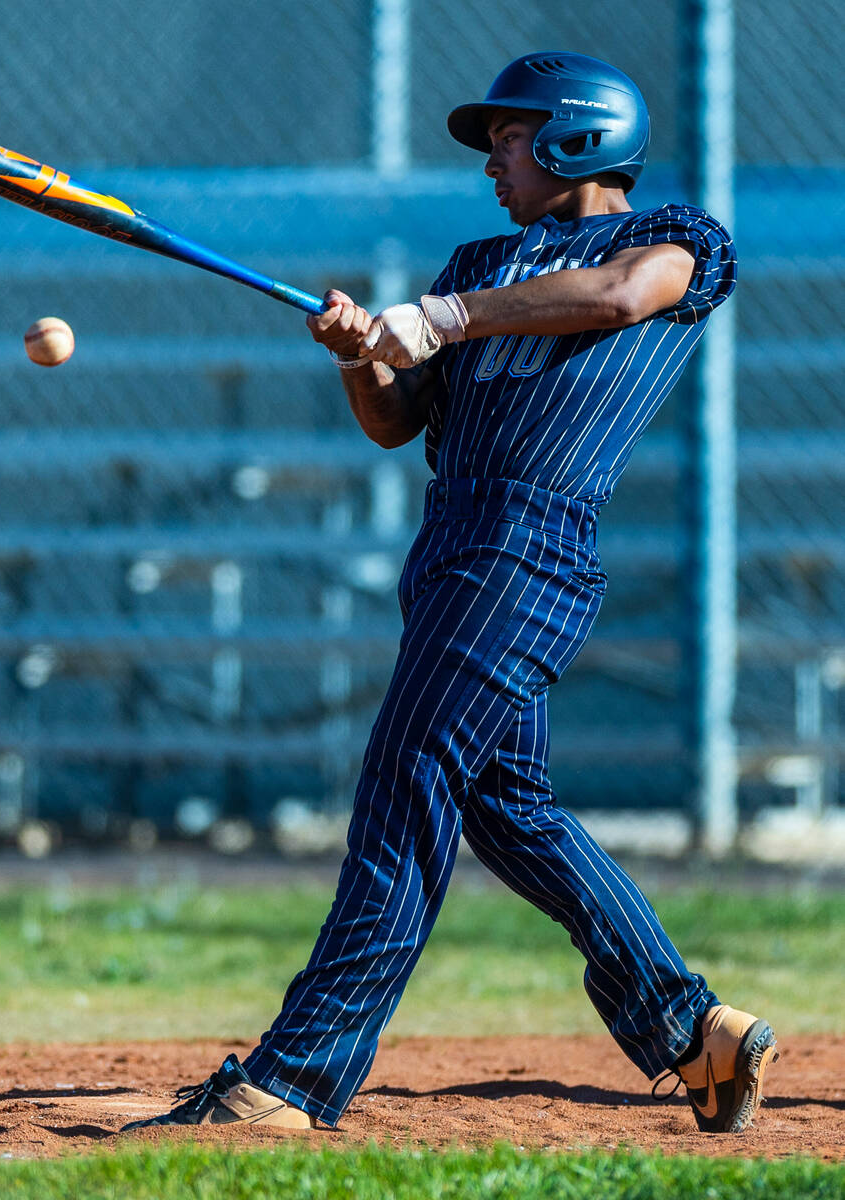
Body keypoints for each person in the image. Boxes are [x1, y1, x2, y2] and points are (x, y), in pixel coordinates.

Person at [123, 52, 777, 1137]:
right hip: (452, 547)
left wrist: (445, 318)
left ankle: (289, 1080)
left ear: (578, 139)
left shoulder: (675, 241)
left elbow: (619, 297)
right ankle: (690, 1028)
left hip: (527, 547)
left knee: (404, 775)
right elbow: (395, 421)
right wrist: (357, 355)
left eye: (507, 141)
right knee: (504, 808)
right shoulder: (479, 261)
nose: (490, 165)